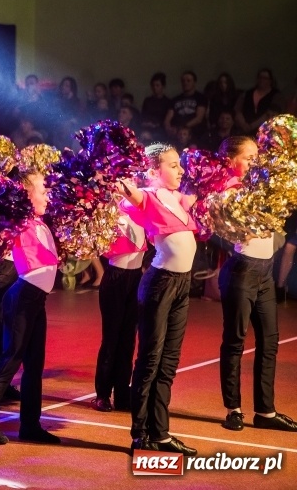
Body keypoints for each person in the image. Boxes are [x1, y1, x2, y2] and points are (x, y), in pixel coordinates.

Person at [120, 142, 199, 456]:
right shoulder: (147, 195)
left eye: (180, 164)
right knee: (150, 360)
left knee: (169, 362)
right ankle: (141, 434)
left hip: (182, 285)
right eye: (173, 165)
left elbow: (207, 190)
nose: (180, 170)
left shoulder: (176, 197)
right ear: (153, 171)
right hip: (160, 284)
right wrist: (122, 184)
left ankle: (161, 433)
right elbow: (132, 193)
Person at [215, 136, 297, 433]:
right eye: (249, 158)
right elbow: (224, 231)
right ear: (231, 161)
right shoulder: (228, 192)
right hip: (242, 271)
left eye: (256, 157)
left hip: (264, 272)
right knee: (235, 341)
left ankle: (265, 410)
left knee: (269, 341)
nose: (255, 162)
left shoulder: (259, 188)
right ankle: (233, 409)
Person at [0, 169, 59, 445]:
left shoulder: (40, 222)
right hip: (22, 297)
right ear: (24, 196)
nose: (47, 194)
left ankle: (30, 425)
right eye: (42, 190)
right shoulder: (17, 221)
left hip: (37, 299)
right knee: (12, 357)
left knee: (35, 364)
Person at [92, 200, 147, 412]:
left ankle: (123, 393)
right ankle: (103, 394)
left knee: (128, 341)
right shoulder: (110, 212)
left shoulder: (143, 211)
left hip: (135, 279)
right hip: (115, 278)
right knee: (111, 338)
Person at [234, 69, 283, 136]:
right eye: (260, 77)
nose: (262, 80)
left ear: (270, 80)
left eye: (265, 78)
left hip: (265, 131)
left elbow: (271, 113)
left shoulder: (276, 95)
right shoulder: (248, 93)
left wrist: (252, 126)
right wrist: (243, 124)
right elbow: (237, 109)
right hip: (245, 130)